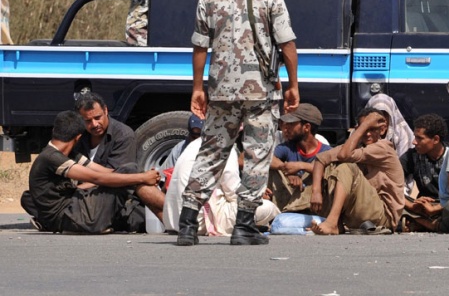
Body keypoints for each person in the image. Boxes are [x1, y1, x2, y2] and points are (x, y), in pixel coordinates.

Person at [177, 0, 299, 247]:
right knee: (258, 156)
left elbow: (200, 46)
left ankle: (188, 224)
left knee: (212, 152)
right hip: (260, 93)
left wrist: (197, 88)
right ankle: (244, 226)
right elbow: (287, 45)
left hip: (221, 91)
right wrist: (294, 85)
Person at [25, 110, 164, 234]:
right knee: (132, 171)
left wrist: (141, 176)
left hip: (77, 212)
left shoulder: (68, 154)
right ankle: (177, 213)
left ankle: (170, 219)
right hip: (73, 216)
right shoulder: (51, 157)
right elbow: (97, 178)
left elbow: (107, 172)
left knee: (130, 174)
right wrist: (141, 177)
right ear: (78, 137)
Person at [308, 107, 405, 235]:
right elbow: (321, 159)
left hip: (383, 216)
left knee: (346, 167)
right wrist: (316, 191)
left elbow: (344, 155)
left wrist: (363, 126)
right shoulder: (358, 147)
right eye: (364, 129)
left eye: (371, 129)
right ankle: (335, 223)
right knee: (330, 170)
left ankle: (331, 222)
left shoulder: (384, 148)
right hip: (361, 212)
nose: (367, 134)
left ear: (382, 130)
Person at [163, 137, 278, 236]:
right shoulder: (225, 147)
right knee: (267, 207)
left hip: (175, 221)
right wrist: (255, 196)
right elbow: (233, 192)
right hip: (199, 222)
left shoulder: (193, 145)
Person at [268, 103, 331, 212]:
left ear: (306, 127)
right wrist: (287, 170)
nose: (286, 127)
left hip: (315, 203)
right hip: (290, 199)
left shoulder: (326, 151)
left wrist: (302, 166)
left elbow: (333, 174)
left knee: (318, 171)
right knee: (273, 170)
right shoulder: (287, 147)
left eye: (291, 124)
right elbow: (267, 159)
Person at [399, 113, 448, 231]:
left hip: (447, 205)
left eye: (419, 138)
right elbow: (391, 183)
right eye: (414, 137)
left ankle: (422, 223)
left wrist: (438, 207)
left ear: (436, 139)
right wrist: (411, 204)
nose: (414, 142)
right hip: (421, 207)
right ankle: (431, 224)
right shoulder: (412, 156)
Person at [74, 92, 137, 170]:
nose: (94, 124)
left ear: (105, 110)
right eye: (88, 121)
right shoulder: (78, 134)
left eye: (97, 118)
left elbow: (117, 176)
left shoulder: (123, 136)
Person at [366, 93, 414, 158]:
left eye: (384, 114)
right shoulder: (361, 132)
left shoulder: (403, 134)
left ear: (391, 115)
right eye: (377, 114)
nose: (381, 118)